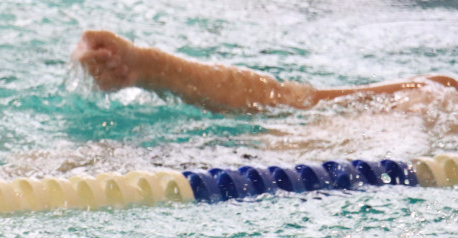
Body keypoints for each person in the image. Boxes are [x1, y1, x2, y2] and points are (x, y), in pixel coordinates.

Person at [72, 30, 458, 114]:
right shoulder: (439, 95)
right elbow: (294, 101)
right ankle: (152, 69)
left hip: (240, 161)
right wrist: (152, 67)